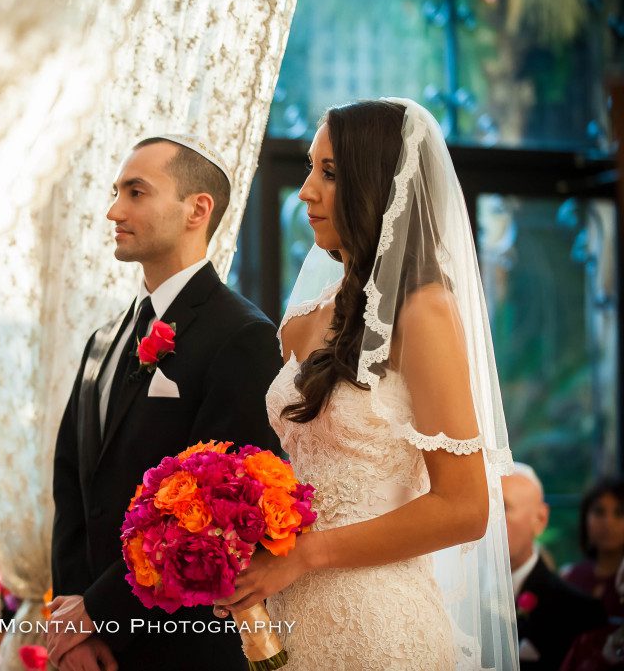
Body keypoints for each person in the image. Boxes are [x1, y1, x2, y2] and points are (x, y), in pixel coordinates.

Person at [214, 98, 519, 669]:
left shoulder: (422, 311)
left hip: (378, 624)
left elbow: (465, 507)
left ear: (376, 185)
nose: (305, 191)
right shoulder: (305, 319)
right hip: (286, 610)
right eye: (309, 168)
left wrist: (307, 555)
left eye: (329, 173)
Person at [48, 134, 283, 670]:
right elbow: (72, 487)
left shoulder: (242, 336)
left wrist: (101, 615)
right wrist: (73, 627)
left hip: (181, 648)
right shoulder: (103, 340)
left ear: (196, 209)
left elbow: (220, 515)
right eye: (116, 192)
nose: (114, 210)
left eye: (135, 192)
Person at [501, 463, 604, 669]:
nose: (490, 521)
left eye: (504, 508)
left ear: (540, 519)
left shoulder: (580, 612)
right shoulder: (455, 597)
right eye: (486, 508)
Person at [563, 479, 624, 622]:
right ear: (585, 519)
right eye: (599, 512)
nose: (608, 523)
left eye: (620, 513)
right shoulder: (569, 576)